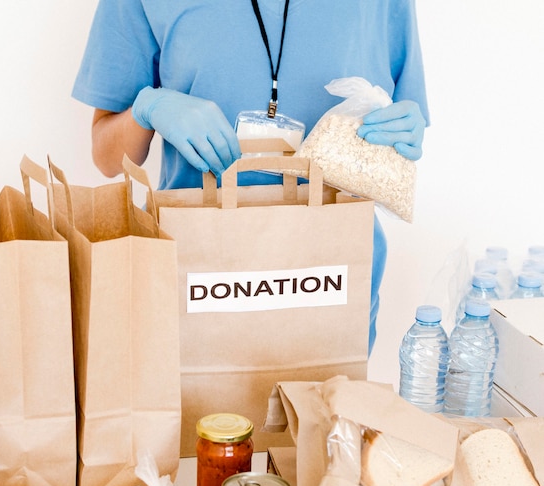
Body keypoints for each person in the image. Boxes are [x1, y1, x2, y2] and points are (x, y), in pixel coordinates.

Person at [72, 0, 429, 353]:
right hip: (201, 282)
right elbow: (107, 158)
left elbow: (397, 115)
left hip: (332, 279)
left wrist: (403, 132)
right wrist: (147, 108)